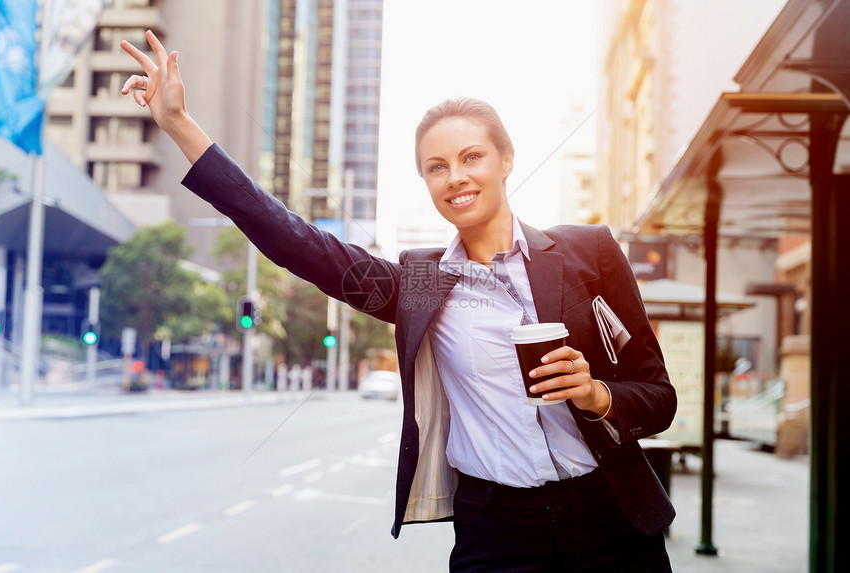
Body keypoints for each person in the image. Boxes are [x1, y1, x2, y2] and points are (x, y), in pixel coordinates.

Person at [121, 31, 677, 572]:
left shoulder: (591, 251)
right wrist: (178, 124)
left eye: (472, 157)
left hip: (611, 518)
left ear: (506, 159)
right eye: (436, 167)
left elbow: (659, 396)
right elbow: (292, 238)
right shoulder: (420, 285)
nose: (455, 177)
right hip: (498, 528)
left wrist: (597, 395)